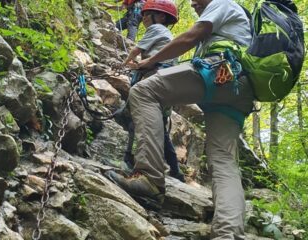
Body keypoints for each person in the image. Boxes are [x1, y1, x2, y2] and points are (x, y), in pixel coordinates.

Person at [106, 0, 254, 238]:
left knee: (143, 91)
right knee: (224, 162)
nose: (194, 2)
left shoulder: (222, 3)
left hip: (221, 71)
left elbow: (190, 37)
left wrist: (149, 62)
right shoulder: (241, 22)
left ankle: (150, 179)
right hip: (241, 89)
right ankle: (228, 234)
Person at [121, 0, 184, 182]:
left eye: (148, 14)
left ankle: (130, 159)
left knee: (137, 119)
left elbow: (136, 50)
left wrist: (122, 64)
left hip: (153, 80)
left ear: (161, 17)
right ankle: (175, 170)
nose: (144, 17)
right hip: (164, 82)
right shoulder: (167, 35)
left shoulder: (157, 30)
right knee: (160, 128)